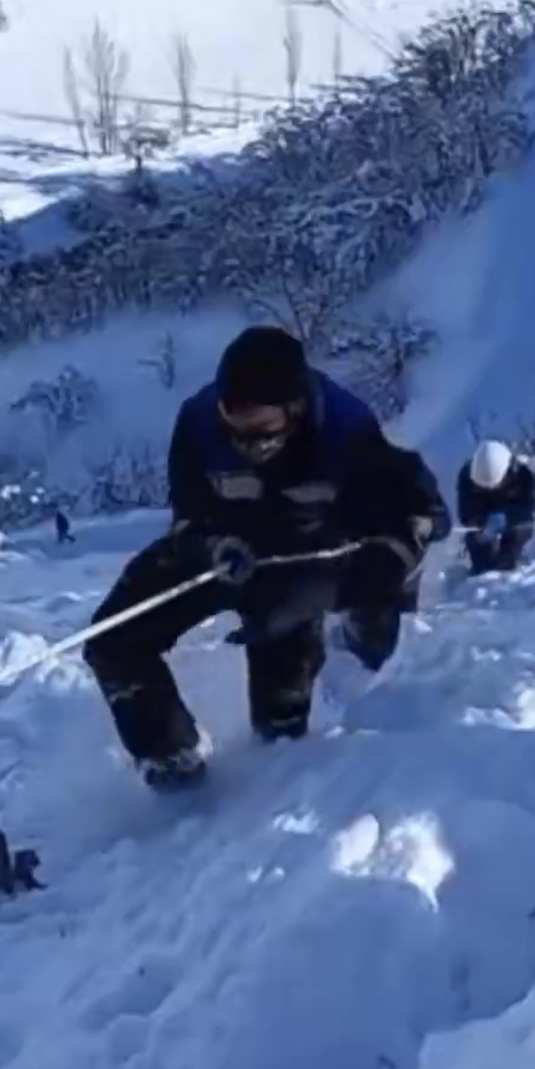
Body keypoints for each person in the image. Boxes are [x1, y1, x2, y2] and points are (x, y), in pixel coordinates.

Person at [83, 326, 450, 788]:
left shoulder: (347, 432)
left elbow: (420, 514)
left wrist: (335, 586)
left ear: (295, 411)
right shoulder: (199, 422)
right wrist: (209, 544)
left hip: (300, 567)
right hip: (224, 556)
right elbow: (187, 513)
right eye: (234, 432)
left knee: (279, 721)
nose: (245, 447)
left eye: (261, 435)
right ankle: (171, 762)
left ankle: (270, 785)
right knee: (113, 638)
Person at [456, 440, 535, 575]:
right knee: (481, 562)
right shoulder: (466, 478)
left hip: (515, 524)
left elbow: (529, 510)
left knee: (510, 554)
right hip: (482, 527)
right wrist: (480, 523)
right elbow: (465, 514)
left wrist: (506, 517)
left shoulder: (524, 476)